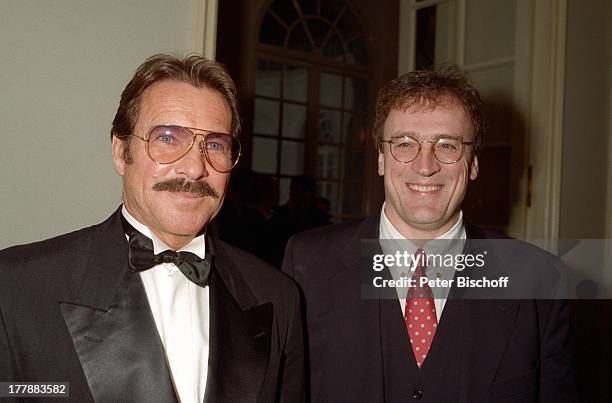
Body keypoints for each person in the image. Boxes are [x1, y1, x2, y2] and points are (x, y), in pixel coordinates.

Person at [0, 54, 304, 403]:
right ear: (120, 151)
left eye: (215, 145)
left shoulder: (278, 297)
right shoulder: (16, 287)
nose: (194, 169)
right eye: (168, 138)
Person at [282, 65, 577, 402]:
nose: (425, 165)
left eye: (447, 145)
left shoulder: (538, 279)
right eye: (405, 144)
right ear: (381, 159)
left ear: (474, 163)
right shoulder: (306, 265)